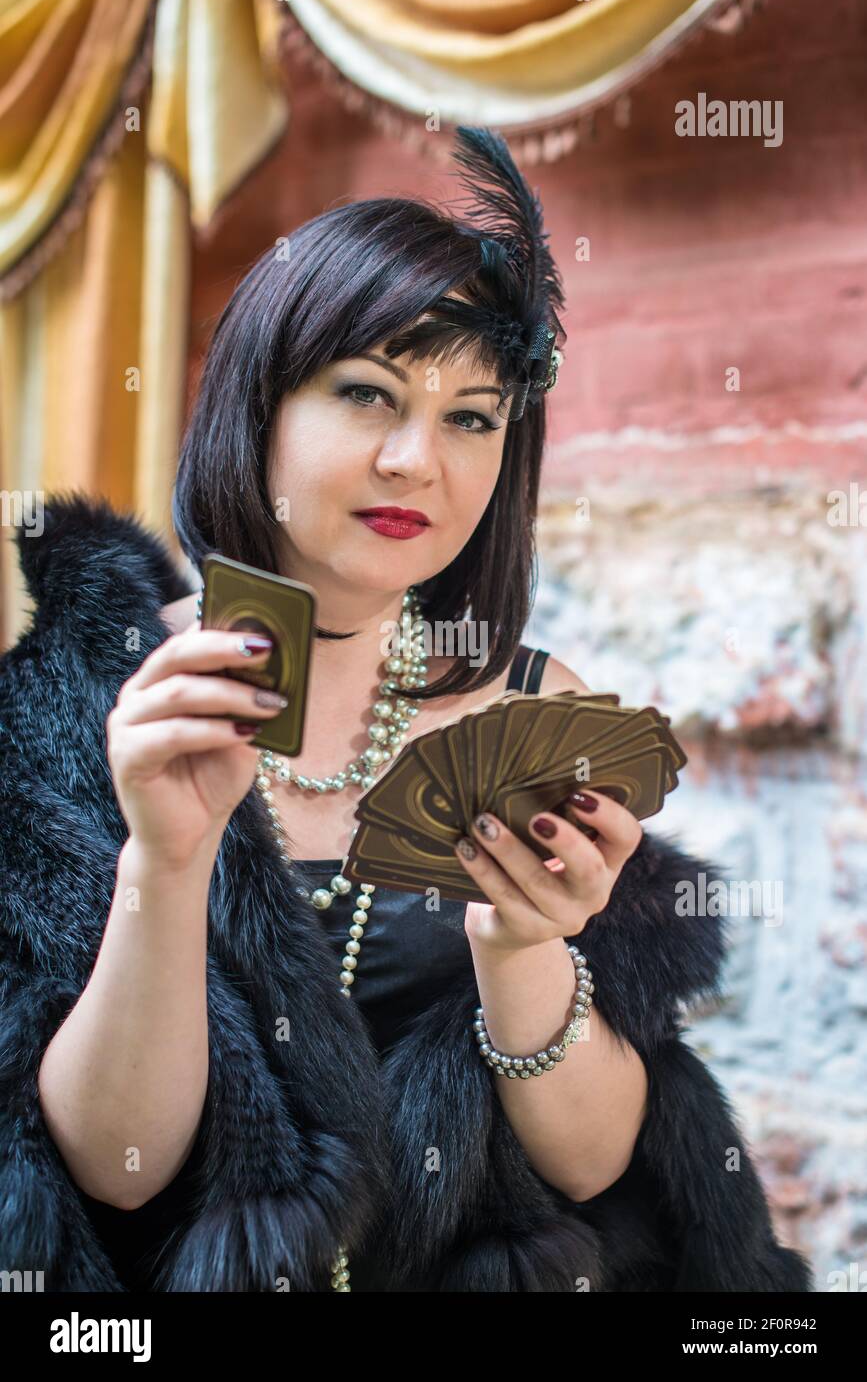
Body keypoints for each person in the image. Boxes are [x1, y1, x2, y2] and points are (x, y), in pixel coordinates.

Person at [0, 128, 811, 1293]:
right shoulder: (81, 703)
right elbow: (116, 1172)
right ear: (259, 407)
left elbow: (591, 1165)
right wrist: (166, 869)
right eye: (367, 394)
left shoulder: (541, 709)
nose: (414, 460)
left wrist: (523, 947)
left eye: (473, 417)